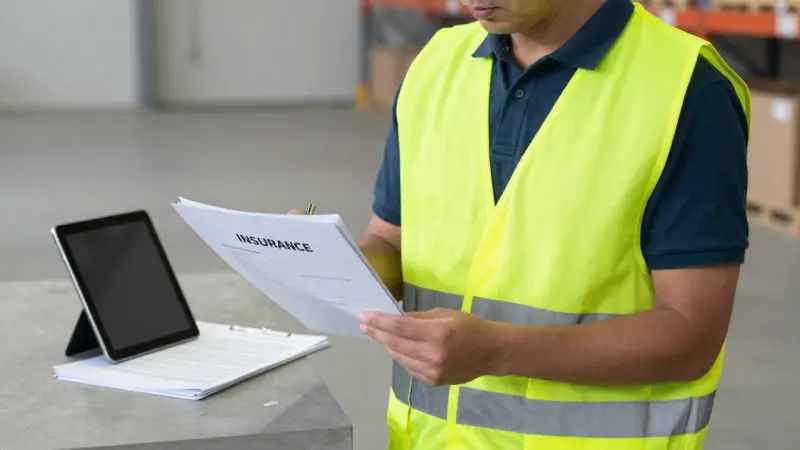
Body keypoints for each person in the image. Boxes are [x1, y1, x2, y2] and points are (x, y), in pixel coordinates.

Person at [296, 0, 749, 447]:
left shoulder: (685, 89)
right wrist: (335, 264)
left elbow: (691, 334)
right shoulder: (436, 65)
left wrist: (498, 351)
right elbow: (390, 240)